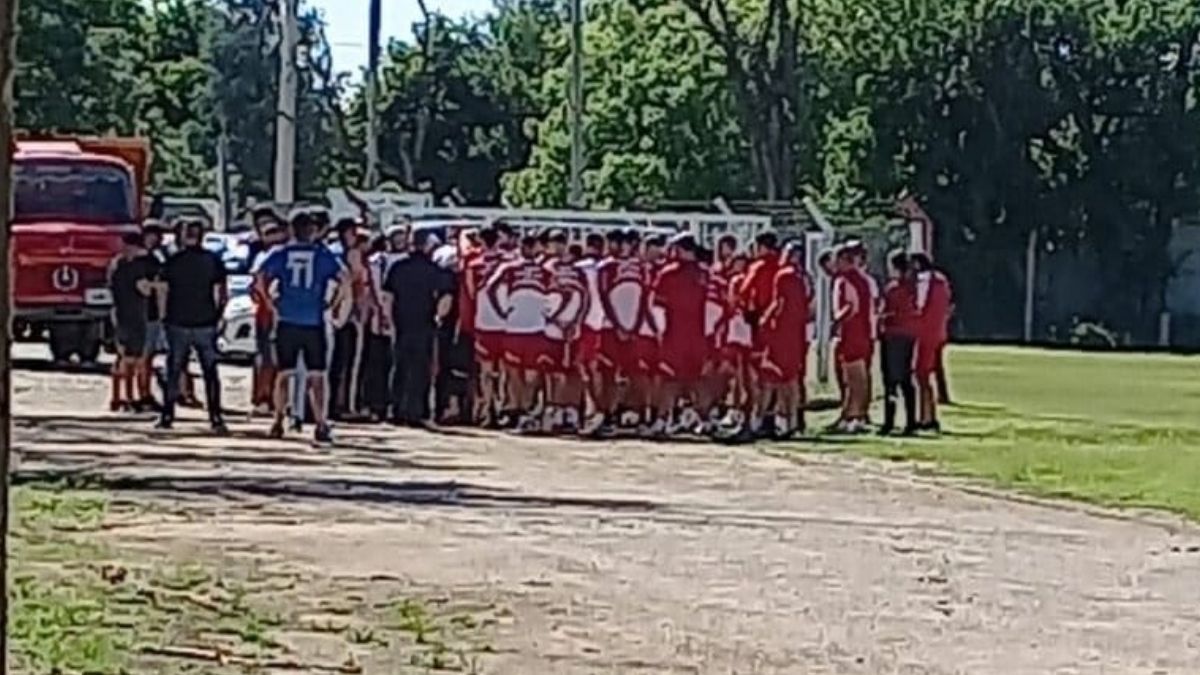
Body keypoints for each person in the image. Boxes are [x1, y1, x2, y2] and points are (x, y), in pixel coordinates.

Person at [255, 211, 349, 445]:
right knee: (317, 375)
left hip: (287, 319)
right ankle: (321, 423)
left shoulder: (281, 253)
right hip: (313, 320)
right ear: (312, 231)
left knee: (284, 373)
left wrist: (270, 302)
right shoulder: (322, 255)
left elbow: (259, 277)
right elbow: (344, 278)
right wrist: (333, 303)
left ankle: (278, 420)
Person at [157, 219, 229, 434]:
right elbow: (221, 292)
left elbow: (163, 290)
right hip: (205, 320)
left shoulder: (173, 260)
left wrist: (163, 317)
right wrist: (218, 315)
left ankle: (167, 415)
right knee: (210, 371)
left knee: (174, 369)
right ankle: (215, 416)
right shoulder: (212, 260)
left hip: (177, 320)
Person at [384, 229, 453, 427]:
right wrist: (439, 317)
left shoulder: (398, 268)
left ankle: (396, 409)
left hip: (401, 323)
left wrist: (388, 320)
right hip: (425, 324)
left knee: (399, 366)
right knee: (421, 368)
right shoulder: (435, 270)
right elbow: (446, 297)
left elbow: (388, 296)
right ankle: (417, 411)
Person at [486, 234, 551, 433]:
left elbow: (556, 291)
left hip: (535, 328)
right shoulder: (510, 268)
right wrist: (501, 310)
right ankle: (518, 411)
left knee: (531, 375)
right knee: (514, 373)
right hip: (515, 327)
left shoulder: (545, 271)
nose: (529, 249)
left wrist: (549, 313)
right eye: (526, 245)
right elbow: (491, 287)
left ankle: (528, 412)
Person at [650, 233, 709, 436]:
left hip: (675, 334)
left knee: (670, 379)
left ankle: (662, 419)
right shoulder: (704, 273)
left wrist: (659, 332)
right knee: (697, 379)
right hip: (698, 334)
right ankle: (704, 419)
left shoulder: (668, 273)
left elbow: (657, 305)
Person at [759, 240, 813, 438]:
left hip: (782, 330)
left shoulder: (783, 276)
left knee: (776, 375)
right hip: (797, 330)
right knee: (792, 377)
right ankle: (793, 420)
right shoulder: (805, 277)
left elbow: (779, 302)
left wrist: (766, 319)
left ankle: (776, 418)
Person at [542, 229, 588, 432]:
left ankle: (572, 410)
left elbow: (585, 297)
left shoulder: (578, 271)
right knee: (552, 371)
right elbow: (542, 297)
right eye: (554, 241)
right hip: (551, 328)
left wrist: (576, 321)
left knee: (573, 370)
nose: (559, 245)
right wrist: (554, 319)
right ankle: (554, 408)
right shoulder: (546, 268)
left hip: (573, 328)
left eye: (562, 241)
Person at [466, 225, 512, 426]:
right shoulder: (508, 262)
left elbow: (471, 293)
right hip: (505, 321)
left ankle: (487, 409)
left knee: (485, 369)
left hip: (483, 321)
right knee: (503, 369)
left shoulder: (474, 265)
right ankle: (502, 406)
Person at [108, 232, 155, 412]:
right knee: (132, 359)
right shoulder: (133, 267)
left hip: (121, 313)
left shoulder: (116, 265)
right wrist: (153, 286)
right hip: (133, 315)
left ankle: (117, 396)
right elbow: (144, 290)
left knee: (122, 356)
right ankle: (128, 397)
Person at [831, 241, 875, 433]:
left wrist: (838, 319)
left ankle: (855, 415)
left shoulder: (845, 280)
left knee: (854, 378)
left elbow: (851, 305)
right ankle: (851, 413)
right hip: (864, 332)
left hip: (852, 332)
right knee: (859, 377)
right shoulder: (863, 279)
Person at [249, 218, 288, 415]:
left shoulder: (286, 256)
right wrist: (268, 303)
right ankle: (261, 397)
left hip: (284, 314)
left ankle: (276, 398)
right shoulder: (264, 257)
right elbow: (256, 285)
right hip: (265, 315)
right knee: (266, 358)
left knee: (280, 359)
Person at [879, 251, 919, 436]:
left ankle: (889, 420)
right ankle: (911, 420)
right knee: (905, 378)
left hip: (893, 335)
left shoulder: (893, 289)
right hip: (909, 334)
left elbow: (889, 312)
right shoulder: (913, 287)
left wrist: (881, 317)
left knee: (891, 380)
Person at [912, 252, 952, 432]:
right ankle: (929, 414)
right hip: (938, 331)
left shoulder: (923, 282)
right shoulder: (942, 281)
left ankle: (926, 416)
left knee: (921, 375)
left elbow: (918, 306)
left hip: (924, 331)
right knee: (926, 374)